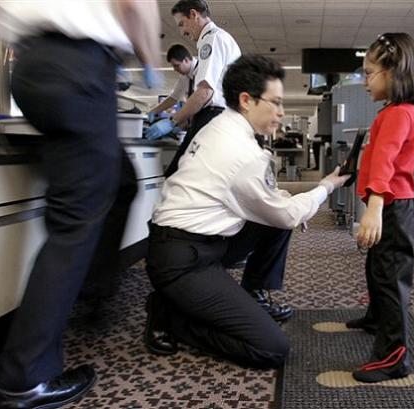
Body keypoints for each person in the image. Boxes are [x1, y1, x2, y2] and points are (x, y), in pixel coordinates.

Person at [0, 1, 161, 408]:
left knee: (120, 183)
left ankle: (92, 286)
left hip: (31, 65)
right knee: (74, 225)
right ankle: (24, 379)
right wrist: (149, 59)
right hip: (77, 65)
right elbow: (136, 4)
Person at [144, 55, 350, 368]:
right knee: (271, 349)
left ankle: (250, 293)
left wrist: (289, 207)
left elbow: (265, 199)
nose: (281, 113)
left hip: (188, 242)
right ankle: (171, 316)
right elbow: (287, 213)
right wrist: (325, 187)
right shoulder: (242, 152)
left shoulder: (219, 126)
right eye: (276, 103)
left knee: (278, 221)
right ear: (246, 100)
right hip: (183, 261)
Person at [346, 33, 414, 383]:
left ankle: (394, 356)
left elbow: (386, 161)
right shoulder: (395, 112)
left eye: (369, 73)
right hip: (391, 204)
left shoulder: (399, 114)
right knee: (377, 268)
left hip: (392, 206)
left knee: (390, 278)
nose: (365, 81)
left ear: (394, 72)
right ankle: (377, 318)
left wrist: (375, 204)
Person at [145, 0, 241, 177]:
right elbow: (176, 96)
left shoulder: (212, 39)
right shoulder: (218, 38)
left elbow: (205, 92)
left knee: (178, 177)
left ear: (194, 15)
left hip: (213, 117)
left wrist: (171, 121)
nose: (182, 32)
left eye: (182, 24)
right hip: (222, 118)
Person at [146, 44, 198, 130]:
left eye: (176, 65)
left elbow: (201, 99)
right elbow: (174, 98)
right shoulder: (185, 77)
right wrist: (154, 111)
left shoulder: (203, 70)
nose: (174, 69)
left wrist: (172, 122)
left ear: (186, 60)